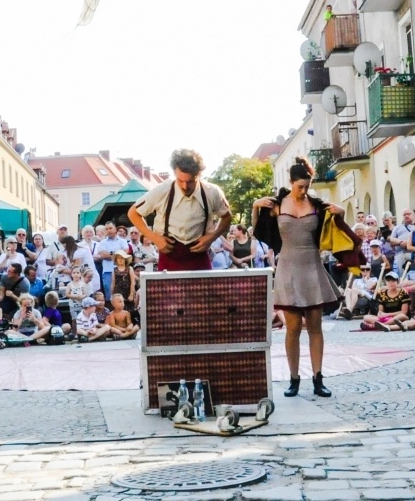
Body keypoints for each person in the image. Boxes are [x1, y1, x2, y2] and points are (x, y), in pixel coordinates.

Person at [251, 156, 344, 398]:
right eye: (299, 186)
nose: (303, 191)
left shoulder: (316, 204)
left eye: (307, 186)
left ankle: (318, 378)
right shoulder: (277, 204)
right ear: (291, 182)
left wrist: (341, 214)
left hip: (312, 265)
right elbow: (258, 232)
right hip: (288, 265)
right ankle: (294, 379)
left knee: (315, 326)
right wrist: (254, 207)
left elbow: (334, 232)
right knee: (292, 327)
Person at [128, 149, 234, 271]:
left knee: (204, 291)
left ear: (198, 174)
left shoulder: (212, 192)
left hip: (200, 257)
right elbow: (133, 213)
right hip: (169, 256)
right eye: (180, 180)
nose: (185, 186)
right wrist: (154, 238)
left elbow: (227, 216)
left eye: (190, 181)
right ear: (174, 173)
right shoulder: (162, 190)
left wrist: (211, 238)